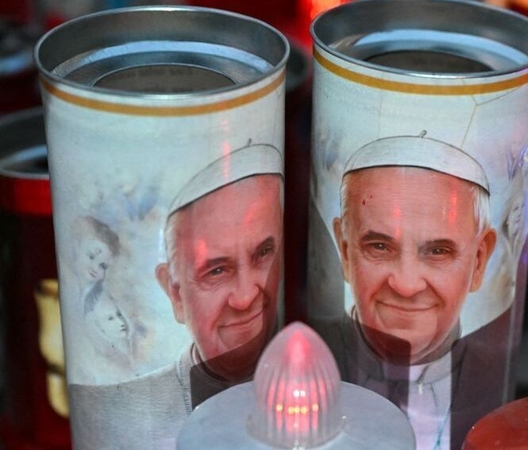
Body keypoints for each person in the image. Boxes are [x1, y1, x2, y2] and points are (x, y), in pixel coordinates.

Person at [68, 143, 284, 449]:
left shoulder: (317, 383)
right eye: (217, 271)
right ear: (176, 293)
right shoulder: (109, 411)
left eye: (263, 254)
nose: (246, 297)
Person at [322, 135, 504, 450]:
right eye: (379, 246)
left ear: (478, 260)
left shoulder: (493, 377)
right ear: (345, 250)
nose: (406, 285)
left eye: (437, 251)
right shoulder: (308, 363)